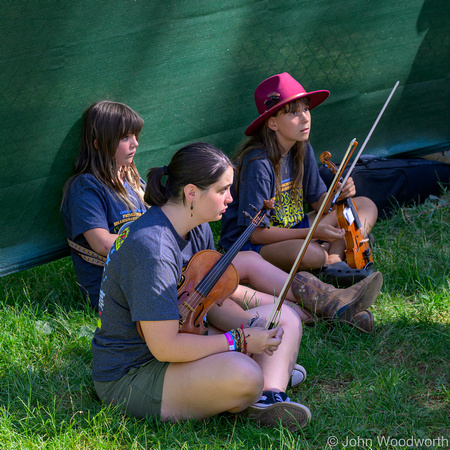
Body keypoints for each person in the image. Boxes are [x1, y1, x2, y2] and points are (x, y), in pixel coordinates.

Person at [91, 142, 312, 432]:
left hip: (184, 338)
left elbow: (205, 307)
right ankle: (256, 381)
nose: (230, 199)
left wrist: (256, 326)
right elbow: (165, 347)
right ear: (192, 192)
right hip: (134, 373)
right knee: (244, 374)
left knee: (285, 317)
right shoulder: (153, 250)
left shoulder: (198, 227)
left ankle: (269, 395)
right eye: (222, 190)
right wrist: (240, 341)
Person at [220, 72, 379, 286]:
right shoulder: (259, 163)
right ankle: (324, 256)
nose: (305, 117)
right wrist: (312, 232)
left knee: (365, 205)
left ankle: (333, 260)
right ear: (273, 123)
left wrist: (336, 195)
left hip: (295, 228)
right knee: (313, 255)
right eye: (294, 113)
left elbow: (318, 202)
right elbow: (256, 234)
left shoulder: (301, 147)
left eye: (305, 109)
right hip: (253, 244)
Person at [61, 101, 148, 309]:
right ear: (99, 144)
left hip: (144, 273)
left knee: (208, 290)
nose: (135, 143)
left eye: (135, 136)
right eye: (125, 137)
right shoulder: (85, 187)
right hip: (110, 289)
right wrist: (156, 243)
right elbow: (103, 244)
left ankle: (237, 334)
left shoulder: (135, 182)